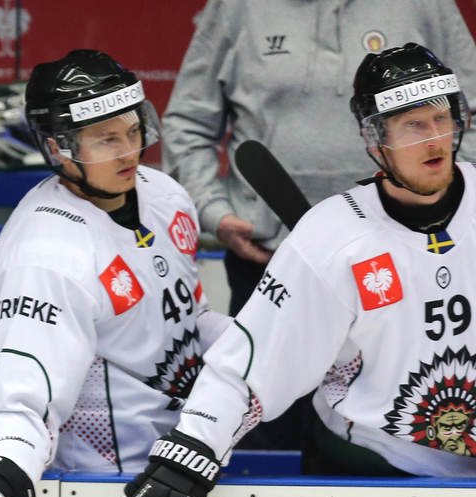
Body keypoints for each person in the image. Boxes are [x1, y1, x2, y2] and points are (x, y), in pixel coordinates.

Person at [125, 44, 476, 497]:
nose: (434, 140)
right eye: (412, 126)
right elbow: (253, 361)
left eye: (441, 119)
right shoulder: (329, 238)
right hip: (374, 468)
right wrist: (190, 451)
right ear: (375, 140)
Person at [0, 50, 224, 497]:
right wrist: (2, 475)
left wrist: (266, 347)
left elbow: (191, 319)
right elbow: (28, 386)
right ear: (58, 147)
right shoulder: (46, 251)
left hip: (194, 462)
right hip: (111, 492)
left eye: (133, 130)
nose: (129, 150)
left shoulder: (166, 196)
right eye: (106, 138)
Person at [163, 0, 476, 453]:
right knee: (264, 442)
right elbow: (188, 121)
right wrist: (214, 210)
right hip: (273, 260)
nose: (432, 136)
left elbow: (469, 108)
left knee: (407, 432)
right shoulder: (237, 8)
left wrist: (453, 213)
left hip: (413, 270)